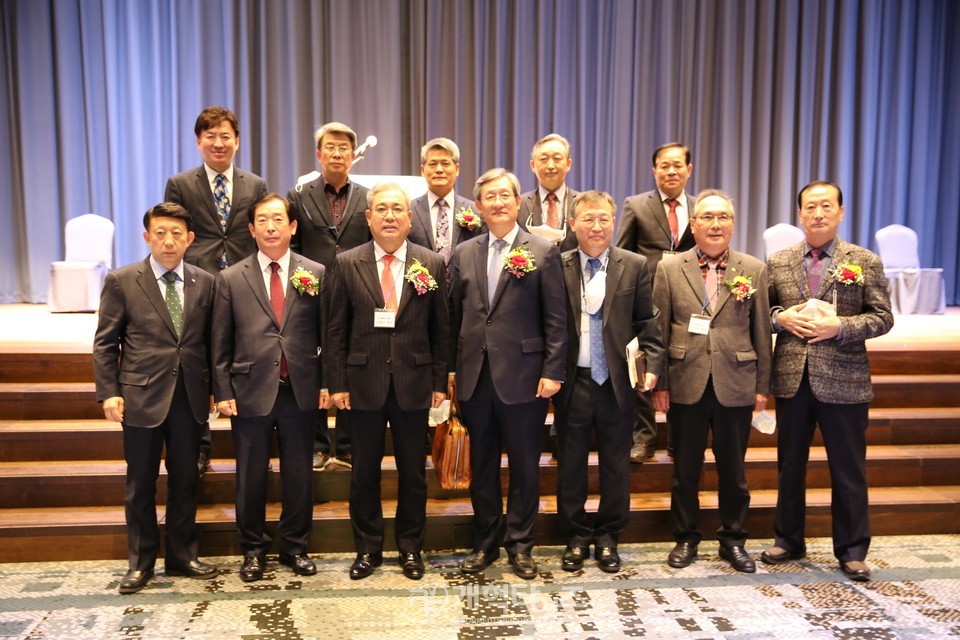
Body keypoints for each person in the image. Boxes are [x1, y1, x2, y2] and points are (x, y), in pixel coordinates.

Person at [762, 181, 893, 582]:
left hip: (845, 380)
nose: (818, 214)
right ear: (799, 213)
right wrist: (778, 318)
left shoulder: (863, 260)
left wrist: (841, 326)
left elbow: (883, 317)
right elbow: (765, 310)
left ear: (840, 212)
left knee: (848, 470)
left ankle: (853, 550)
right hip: (791, 378)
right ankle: (788, 539)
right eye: (810, 207)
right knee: (789, 467)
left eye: (826, 206)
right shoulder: (780, 260)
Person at [93, 203, 219, 593]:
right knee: (141, 484)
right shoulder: (123, 280)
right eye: (161, 232)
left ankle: (182, 556)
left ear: (190, 239)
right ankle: (141, 562)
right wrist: (109, 393)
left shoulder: (206, 281)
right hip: (141, 397)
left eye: (177, 233)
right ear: (147, 236)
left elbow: (213, 343)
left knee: (185, 480)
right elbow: (105, 343)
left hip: (190, 398)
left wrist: (216, 388)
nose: (169, 240)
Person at [326, 182, 449, 581]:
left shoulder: (430, 263)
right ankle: (368, 549)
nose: (390, 215)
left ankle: (411, 548)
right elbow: (335, 331)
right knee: (364, 473)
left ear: (410, 217)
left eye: (397, 208)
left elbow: (440, 329)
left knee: (414, 473)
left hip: (415, 382)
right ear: (368, 217)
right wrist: (338, 382)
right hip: (362, 383)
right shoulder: (347, 263)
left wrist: (438, 381)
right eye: (382, 209)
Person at [449, 168, 567, 580]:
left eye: (505, 196)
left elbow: (556, 318)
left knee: (523, 466)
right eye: (489, 197)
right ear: (478, 206)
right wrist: (450, 372)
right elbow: (454, 317)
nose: (498, 203)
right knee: (482, 466)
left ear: (518, 202)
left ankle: (520, 544)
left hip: (525, 378)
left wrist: (553, 371)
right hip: (475, 378)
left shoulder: (543, 251)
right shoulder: (464, 252)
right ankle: (485, 543)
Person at [652, 190, 772, 573]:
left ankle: (733, 539)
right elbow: (658, 328)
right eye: (707, 217)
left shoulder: (752, 268)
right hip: (685, 382)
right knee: (684, 471)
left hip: (736, 382)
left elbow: (761, 331)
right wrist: (660, 383)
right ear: (693, 224)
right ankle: (685, 538)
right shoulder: (670, 268)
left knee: (734, 472)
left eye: (723, 217)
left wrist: (762, 388)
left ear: (733, 224)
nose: (716, 224)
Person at [211, 194, 328, 583]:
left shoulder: (316, 272)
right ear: (251, 229)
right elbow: (220, 341)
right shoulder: (231, 277)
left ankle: (295, 547)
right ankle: (253, 551)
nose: (271, 227)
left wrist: (327, 384)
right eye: (263, 220)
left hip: (300, 389)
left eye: (279, 219)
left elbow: (329, 334)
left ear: (293, 227)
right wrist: (223, 389)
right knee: (250, 476)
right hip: (248, 390)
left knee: (299, 473)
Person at [553, 191, 663, 573]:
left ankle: (608, 536)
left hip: (617, 382)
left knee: (616, 464)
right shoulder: (558, 264)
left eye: (603, 219)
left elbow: (647, 321)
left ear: (614, 222)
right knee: (571, 465)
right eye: (588, 219)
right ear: (573, 224)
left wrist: (653, 365)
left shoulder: (633, 265)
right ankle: (576, 535)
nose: (596, 226)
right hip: (573, 381)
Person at [164, 106, 268, 474]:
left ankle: (255, 446)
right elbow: (173, 229)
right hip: (198, 282)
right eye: (211, 136)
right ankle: (200, 446)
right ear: (198, 142)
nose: (218, 143)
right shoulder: (181, 183)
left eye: (226, 136)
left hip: (244, 284)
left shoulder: (254, 184)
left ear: (237, 142)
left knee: (247, 357)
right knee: (198, 362)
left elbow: (261, 233)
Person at [287, 122, 371, 471]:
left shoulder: (369, 196)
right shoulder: (298, 195)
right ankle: (319, 444)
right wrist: (301, 282)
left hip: (356, 294)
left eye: (343, 148)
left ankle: (349, 445)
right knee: (314, 367)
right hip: (311, 295)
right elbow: (291, 246)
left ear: (353, 156)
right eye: (330, 148)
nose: (337, 154)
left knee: (352, 365)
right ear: (319, 154)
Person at [616, 142, 698, 463]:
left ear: (688, 170)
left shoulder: (700, 207)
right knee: (643, 366)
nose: (671, 171)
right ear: (654, 170)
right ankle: (644, 438)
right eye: (664, 165)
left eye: (677, 165)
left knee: (682, 364)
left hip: (688, 299)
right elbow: (622, 253)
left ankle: (678, 437)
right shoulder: (636, 205)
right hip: (645, 298)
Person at [408, 137, 484, 262]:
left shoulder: (476, 211)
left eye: (445, 163)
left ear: (457, 169)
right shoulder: (408, 210)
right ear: (423, 170)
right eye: (432, 164)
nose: (439, 170)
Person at [518, 133, 580, 253]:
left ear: (568, 164)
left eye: (557, 159)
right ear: (533, 166)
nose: (550, 166)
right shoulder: (519, 204)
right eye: (543, 159)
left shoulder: (582, 203)